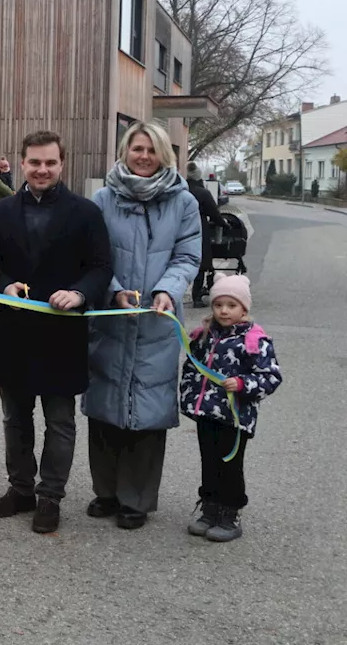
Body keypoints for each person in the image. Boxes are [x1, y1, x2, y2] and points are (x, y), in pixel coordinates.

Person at [0, 131, 112, 534]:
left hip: (62, 333)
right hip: (15, 332)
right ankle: (20, 488)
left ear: (62, 164)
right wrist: (2, 284)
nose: (42, 169)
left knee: (60, 421)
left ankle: (50, 496)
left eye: (50, 163)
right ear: (21, 163)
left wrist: (79, 292)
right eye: (35, 162)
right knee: (15, 418)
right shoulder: (1, 211)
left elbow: (100, 267)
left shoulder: (85, 213)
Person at [84, 120, 201, 530]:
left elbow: (187, 256)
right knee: (105, 404)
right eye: (137, 149)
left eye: (152, 150)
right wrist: (113, 290)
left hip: (156, 320)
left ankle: (137, 499)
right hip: (111, 317)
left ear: (164, 156)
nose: (144, 157)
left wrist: (166, 290)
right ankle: (107, 492)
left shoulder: (183, 202)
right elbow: (92, 255)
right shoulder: (102, 198)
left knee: (148, 409)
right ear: (125, 151)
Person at [179, 275, 281, 542]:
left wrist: (242, 384)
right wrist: (189, 399)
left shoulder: (254, 340)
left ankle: (230, 512)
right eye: (218, 305)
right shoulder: (203, 336)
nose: (224, 311)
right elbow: (191, 367)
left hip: (235, 419)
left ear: (244, 309)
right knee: (209, 461)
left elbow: (270, 377)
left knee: (230, 464)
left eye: (231, 305)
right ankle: (210, 507)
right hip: (207, 413)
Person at [185, 162, 225, 308]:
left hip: (179, 229)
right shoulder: (203, 193)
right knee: (201, 262)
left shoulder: (180, 191)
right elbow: (214, 214)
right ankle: (196, 297)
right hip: (199, 229)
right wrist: (224, 224)